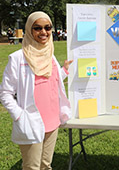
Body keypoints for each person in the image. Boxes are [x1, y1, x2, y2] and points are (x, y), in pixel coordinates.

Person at [0, 11, 73, 170]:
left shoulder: (50, 55)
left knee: (46, 165)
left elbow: (51, 81)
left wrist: (64, 70)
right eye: (37, 28)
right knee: (32, 167)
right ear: (29, 30)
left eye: (47, 27)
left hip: (52, 121)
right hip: (30, 121)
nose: (43, 32)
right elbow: (5, 93)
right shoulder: (18, 58)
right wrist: (19, 115)